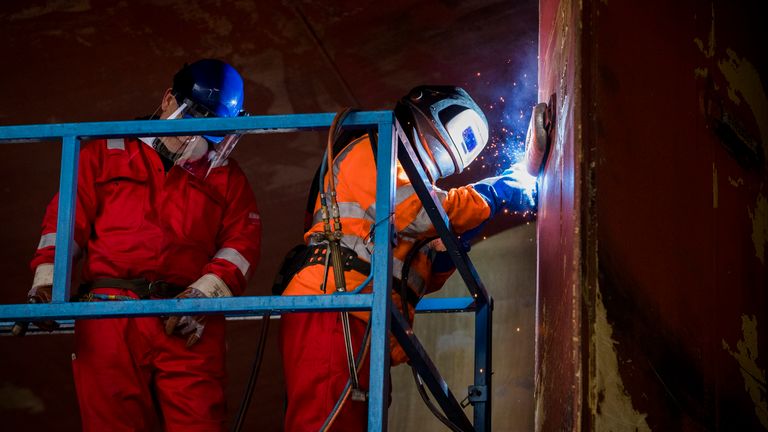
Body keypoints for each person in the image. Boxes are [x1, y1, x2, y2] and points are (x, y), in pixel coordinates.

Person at [279, 85, 535, 431]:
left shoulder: (410, 185)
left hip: (367, 319)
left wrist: (457, 241)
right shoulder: (375, 147)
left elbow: (423, 267)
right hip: (335, 307)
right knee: (326, 423)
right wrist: (494, 193)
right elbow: (416, 211)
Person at [26, 59, 261, 431]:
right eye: (190, 123)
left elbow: (241, 245)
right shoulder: (104, 155)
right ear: (169, 100)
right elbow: (64, 224)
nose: (192, 140)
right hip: (110, 316)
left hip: (186, 323)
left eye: (208, 133)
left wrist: (203, 295)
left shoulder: (226, 178)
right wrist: (48, 281)